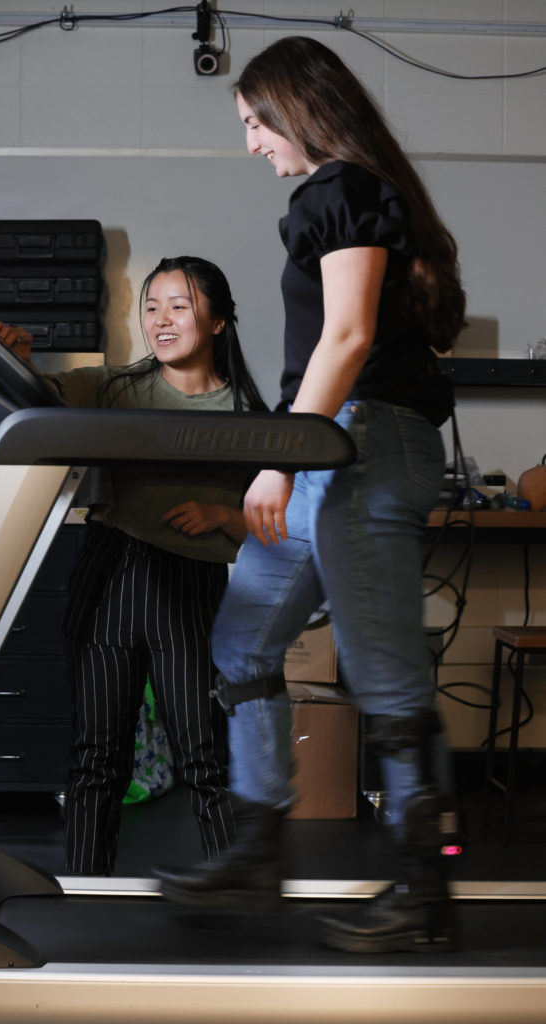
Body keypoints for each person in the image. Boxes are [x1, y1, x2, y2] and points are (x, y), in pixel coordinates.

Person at [155, 37, 467, 954]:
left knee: (384, 674)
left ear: (302, 107)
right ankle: (257, 849)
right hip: (332, 446)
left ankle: (423, 889)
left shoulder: (339, 191)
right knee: (243, 642)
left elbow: (346, 338)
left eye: (256, 121)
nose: (251, 141)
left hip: (356, 445)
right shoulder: (348, 195)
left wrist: (280, 458)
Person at [0, 255, 267, 875]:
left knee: (204, 758)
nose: (162, 319)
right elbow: (36, 402)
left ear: (220, 320)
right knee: (98, 758)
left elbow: (279, 517)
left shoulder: (249, 412)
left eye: (180, 304)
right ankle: (86, 897)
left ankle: (232, 891)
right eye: (151, 306)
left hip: (190, 587)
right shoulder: (115, 386)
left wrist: (221, 514)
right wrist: (17, 360)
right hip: (109, 571)